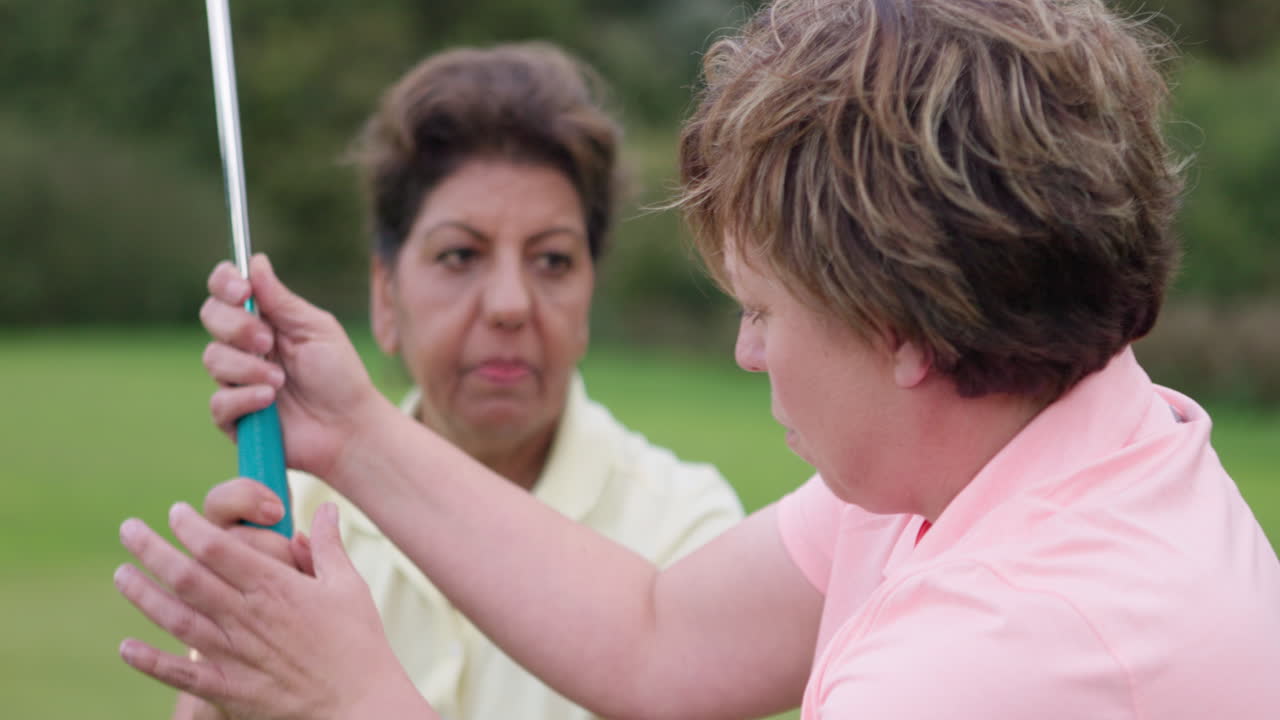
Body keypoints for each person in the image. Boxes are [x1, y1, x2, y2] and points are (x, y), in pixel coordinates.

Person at [116, 1, 1280, 718]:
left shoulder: (996, 654)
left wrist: (349, 702)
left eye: (767, 309)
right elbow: (655, 634)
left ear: (907, 327)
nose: (743, 350)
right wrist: (355, 433)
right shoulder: (991, 454)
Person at [170, 43, 743, 720]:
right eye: (460, 255)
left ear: (590, 295)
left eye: (553, 260)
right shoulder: (291, 515)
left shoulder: (690, 533)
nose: (509, 304)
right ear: (386, 298)